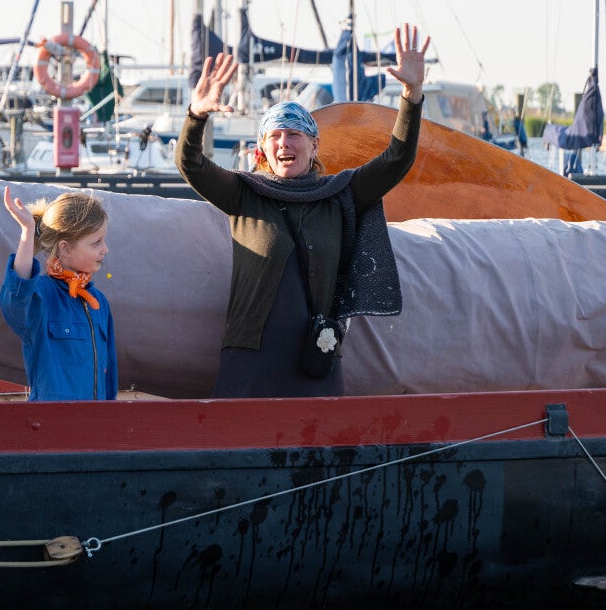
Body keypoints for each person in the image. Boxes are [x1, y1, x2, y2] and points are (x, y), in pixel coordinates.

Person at [177, 24, 429, 397]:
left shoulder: (340, 193)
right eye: (275, 136)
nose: (284, 143)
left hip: (316, 359)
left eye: (294, 134)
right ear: (262, 150)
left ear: (314, 147)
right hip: (250, 363)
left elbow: (397, 159)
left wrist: (411, 95)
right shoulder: (245, 194)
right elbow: (191, 164)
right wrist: (196, 115)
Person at [0, 189, 118, 401]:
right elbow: (16, 297)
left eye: (104, 240)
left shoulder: (99, 302)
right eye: (96, 242)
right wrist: (28, 232)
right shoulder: (41, 296)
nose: (105, 249)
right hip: (50, 419)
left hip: (94, 419)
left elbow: (109, 378)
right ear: (65, 248)